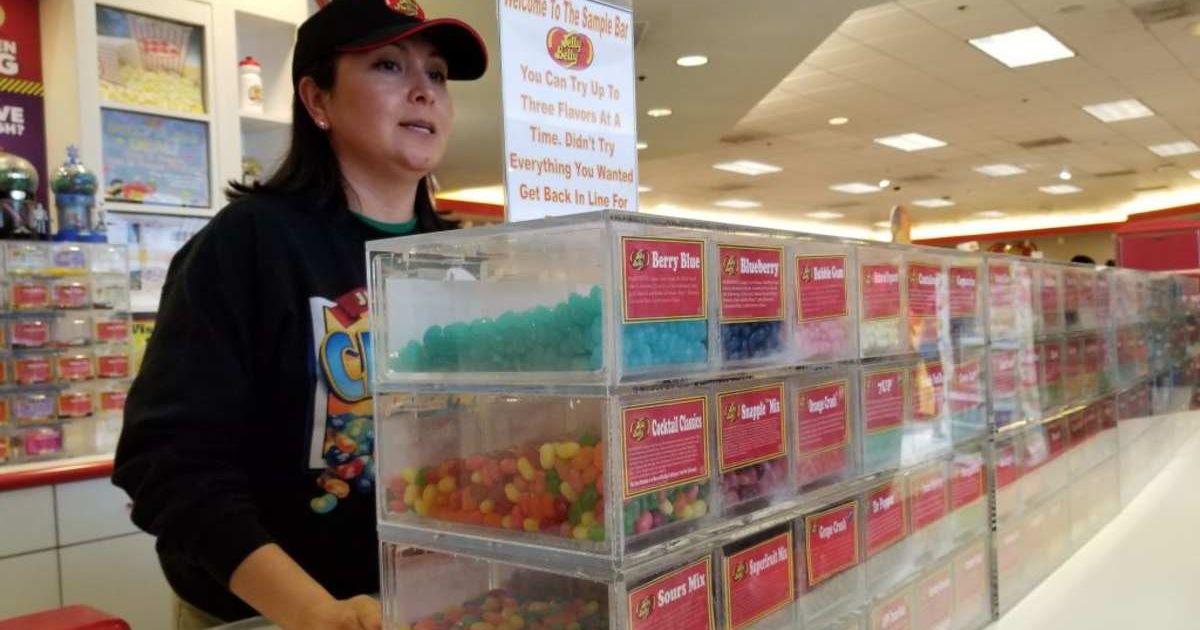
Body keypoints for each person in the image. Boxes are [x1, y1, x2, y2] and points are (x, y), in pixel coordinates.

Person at [111, 2, 487, 629]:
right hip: (268, 616)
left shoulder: (460, 262)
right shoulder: (248, 244)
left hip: (430, 606)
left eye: (439, 73)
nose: (424, 89)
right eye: (389, 65)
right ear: (318, 100)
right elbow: (167, 465)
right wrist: (317, 614)